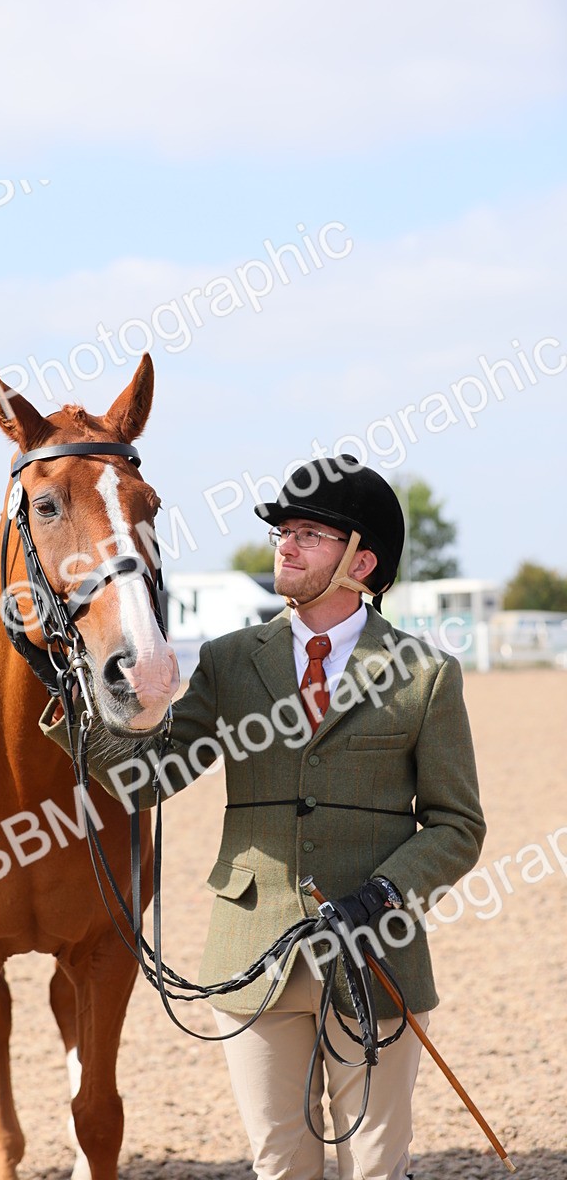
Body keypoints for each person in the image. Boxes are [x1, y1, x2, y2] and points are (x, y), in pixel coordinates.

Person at [38, 454, 486, 1180]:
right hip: (254, 956)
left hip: (375, 955)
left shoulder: (425, 676)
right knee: (280, 1165)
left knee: (377, 1165)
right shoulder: (229, 661)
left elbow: (457, 825)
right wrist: (71, 702)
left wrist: (385, 896)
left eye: (310, 532)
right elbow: (150, 778)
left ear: (362, 561)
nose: (285, 544)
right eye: (283, 530)